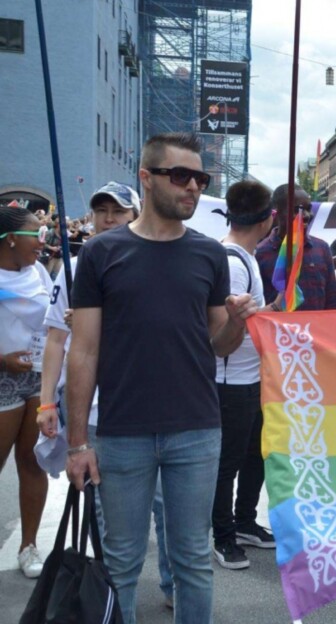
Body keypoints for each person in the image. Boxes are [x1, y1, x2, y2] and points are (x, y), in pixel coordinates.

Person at [64, 132, 256, 624]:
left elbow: (219, 345)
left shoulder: (210, 255)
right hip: (123, 432)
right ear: (146, 179)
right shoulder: (101, 253)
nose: (193, 187)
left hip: (196, 428)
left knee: (193, 560)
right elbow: (83, 351)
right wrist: (78, 442)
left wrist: (235, 323)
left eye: (200, 178)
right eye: (181, 175)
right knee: (123, 564)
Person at [35, 183, 178, 604]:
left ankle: (173, 585)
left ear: (136, 213)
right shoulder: (75, 267)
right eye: (101, 211)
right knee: (108, 518)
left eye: (118, 211)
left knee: (167, 509)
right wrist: (47, 402)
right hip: (96, 415)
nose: (109, 218)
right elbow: (56, 341)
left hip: (152, 406)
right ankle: (115, 601)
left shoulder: (155, 258)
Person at [211, 180, 277, 571]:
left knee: (256, 453)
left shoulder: (247, 256)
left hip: (254, 377)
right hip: (230, 380)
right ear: (268, 219)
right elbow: (224, 328)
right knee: (227, 463)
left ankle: (246, 521)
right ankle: (222, 536)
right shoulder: (232, 262)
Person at [0, 205, 52, 578]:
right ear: (12, 238)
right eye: (36, 233)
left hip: (37, 378)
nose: (42, 240)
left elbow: (50, 320)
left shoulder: (38, 273)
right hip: (2, 377)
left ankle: (29, 546)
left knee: (33, 462)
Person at [254, 185, 336, 310]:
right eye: (297, 211)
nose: (305, 215)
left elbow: (333, 301)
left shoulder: (321, 249)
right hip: (278, 328)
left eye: (308, 209)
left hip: (316, 328)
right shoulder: (260, 253)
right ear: (277, 212)